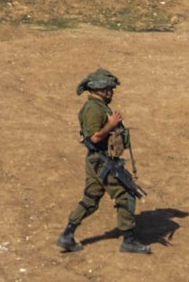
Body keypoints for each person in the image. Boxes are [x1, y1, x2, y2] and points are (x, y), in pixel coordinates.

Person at [56, 68, 151, 255]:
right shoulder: (93, 109)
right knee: (126, 195)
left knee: (91, 199)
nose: (112, 92)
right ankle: (128, 240)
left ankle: (67, 234)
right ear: (101, 89)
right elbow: (94, 138)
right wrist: (111, 124)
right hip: (102, 161)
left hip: (97, 161)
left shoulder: (99, 107)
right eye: (109, 88)